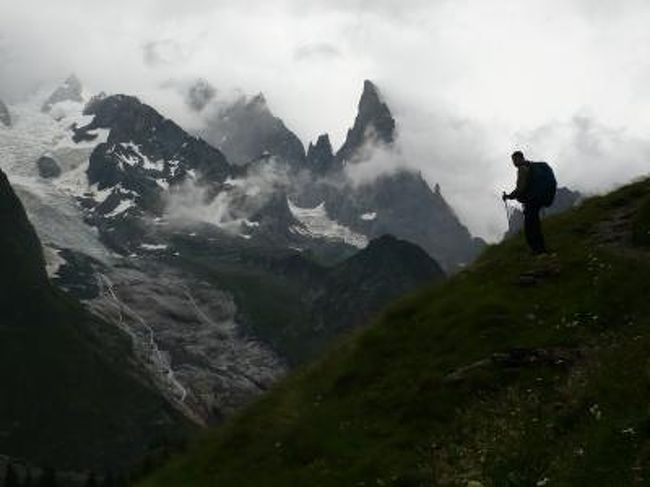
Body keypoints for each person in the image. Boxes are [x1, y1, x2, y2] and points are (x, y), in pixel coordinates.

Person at [502, 151, 548, 254]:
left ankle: (538, 251)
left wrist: (509, 196)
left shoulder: (522, 169)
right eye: (512, 160)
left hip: (530, 202)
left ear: (520, 158)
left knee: (530, 229)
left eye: (514, 160)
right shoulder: (530, 167)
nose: (513, 162)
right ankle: (541, 249)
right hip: (536, 200)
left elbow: (521, 188)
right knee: (535, 226)